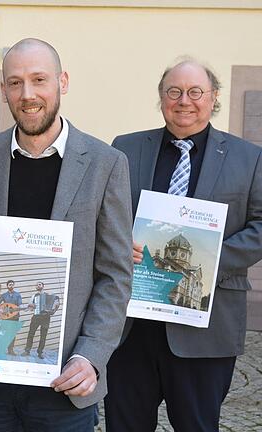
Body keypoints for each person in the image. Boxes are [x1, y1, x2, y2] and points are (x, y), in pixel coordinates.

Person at [0, 38, 133, 431]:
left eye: (39, 79)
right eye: (15, 83)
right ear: (4, 90)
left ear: (63, 82)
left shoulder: (106, 164)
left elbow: (115, 276)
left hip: (63, 379)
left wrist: (90, 357)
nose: (28, 94)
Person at [105, 59, 262, 432]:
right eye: (174, 91)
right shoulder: (124, 149)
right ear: (161, 98)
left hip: (205, 328)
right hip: (131, 325)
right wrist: (117, 242)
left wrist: (209, 260)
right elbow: (103, 215)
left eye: (195, 92)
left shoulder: (249, 157)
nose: (184, 101)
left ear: (214, 98)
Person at [22, 281, 60, 359]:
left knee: (43, 336)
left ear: (43, 286)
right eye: (36, 285)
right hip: (36, 317)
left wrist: (55, 307)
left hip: (45, 318)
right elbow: (30, 308)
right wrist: (30, 306)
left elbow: (56, 303)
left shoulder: (49, 296)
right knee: (31, 334)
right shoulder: (34, 296)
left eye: (39, 284)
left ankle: (40, 352)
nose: (38, 286)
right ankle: (27, 350)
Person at [0, 279, 22, 355]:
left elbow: (20, 305)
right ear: (7, 286)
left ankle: (11, 350)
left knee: (12, 334)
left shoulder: (18, 295)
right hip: (6, 317)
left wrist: (23, 307)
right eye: (10, 284)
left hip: (15, 317)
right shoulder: (4, 295)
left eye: (12, 284)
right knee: (5, 333)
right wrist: (0, 310)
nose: (11, 286)